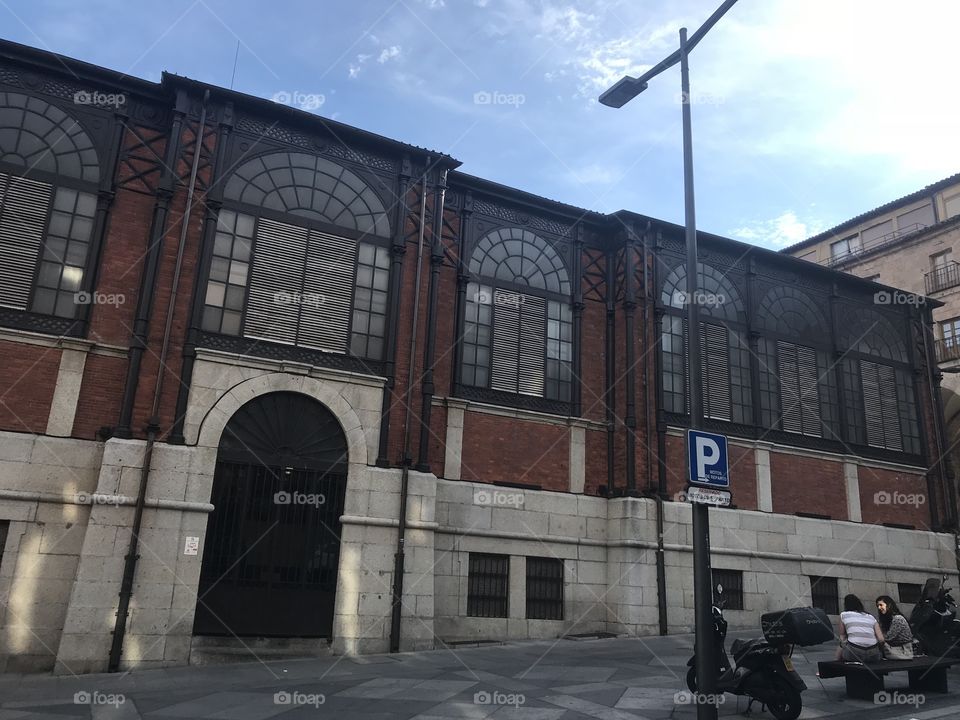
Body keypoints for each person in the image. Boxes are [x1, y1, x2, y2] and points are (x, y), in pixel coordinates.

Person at [835, 594, 884, 662]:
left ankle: (836, 662)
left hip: (853, 653)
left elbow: (842, 637)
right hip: (873, 654)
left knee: (844, 641)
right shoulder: (871, 617)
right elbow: (881, 639)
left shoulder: (843, 615)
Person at [876, 595, 914, 660]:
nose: (879, 608)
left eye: (881, 605)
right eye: (877, 606)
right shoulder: (886, 620)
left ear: (889, 605)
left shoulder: (898, 619)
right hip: (892, 649)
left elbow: (887, 638)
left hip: (903, 651)